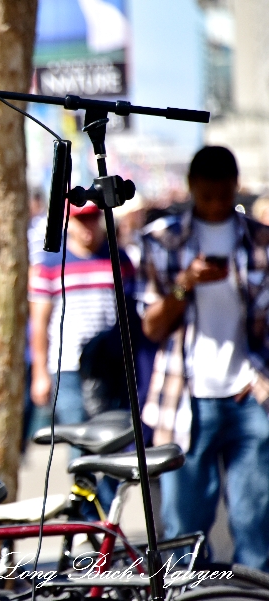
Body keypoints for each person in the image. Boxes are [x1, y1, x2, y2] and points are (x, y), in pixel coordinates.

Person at [139, 146, 269, 571]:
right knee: (184, 535)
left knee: (257, 527)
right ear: (192, 189)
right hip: (185, 401)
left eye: (223, 195)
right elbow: (152, 328)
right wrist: (185, 284)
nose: (215, 204)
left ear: (236, 188)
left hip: (249, 396)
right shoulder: (162, 241)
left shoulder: (261, 241)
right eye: (206, 196)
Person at [29, 202, 136, 425]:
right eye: (81, 219)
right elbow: (39, 323)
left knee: (110, 436)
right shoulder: (50, 265)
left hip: (109, 365)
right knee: (79, 436)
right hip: (66, 367)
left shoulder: (118, 259)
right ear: (69, 223)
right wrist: (39, 374)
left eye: (92, 218)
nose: (87, 226)